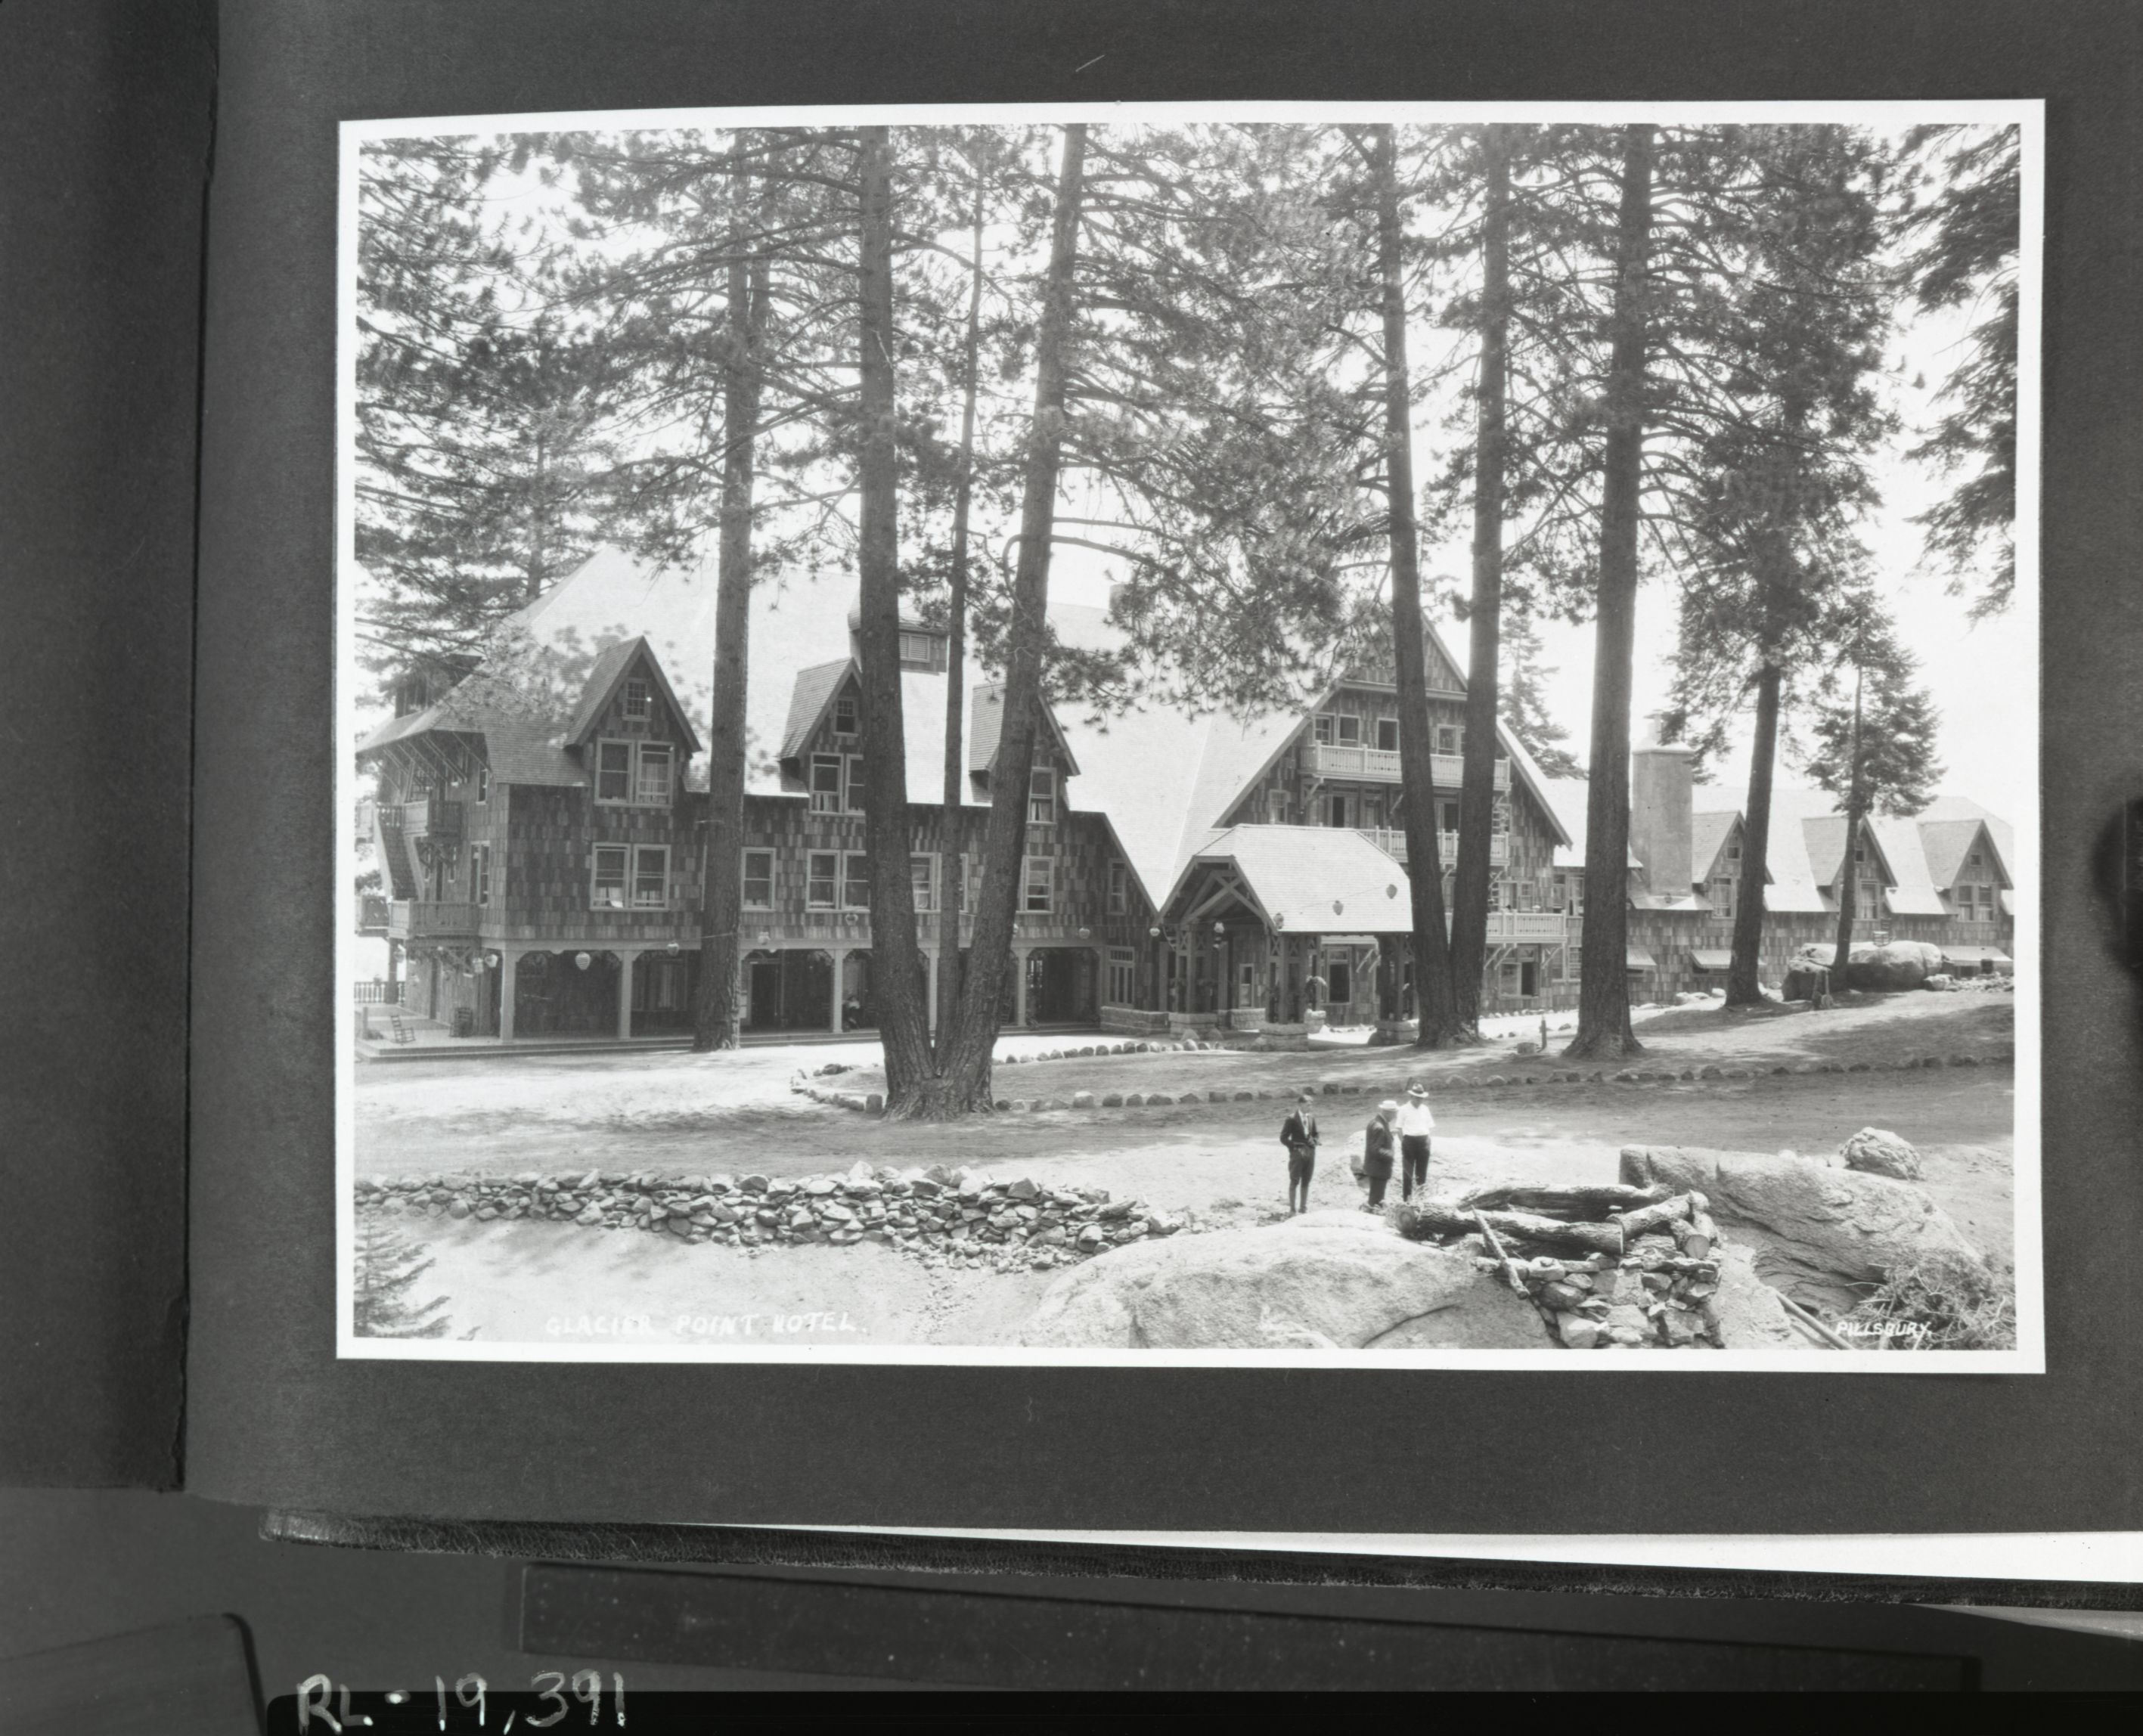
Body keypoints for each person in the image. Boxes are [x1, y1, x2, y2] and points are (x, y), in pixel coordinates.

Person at [1278, 1090, 1320, 1215]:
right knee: (1295, 1180)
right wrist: (1294, 1147)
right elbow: (1283, 1138)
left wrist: (1315, 1141)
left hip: (1310, 1152)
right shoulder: (1291, 1119)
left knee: (1306, 1180)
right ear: (1300, 1105)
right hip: (1297, 1153)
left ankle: (1303, 1208)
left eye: (1311, 1105)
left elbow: (1316, 1134)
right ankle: (1292, 1209)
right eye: (1308, 1105)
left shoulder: (1311, 1117)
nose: (1310, 1107)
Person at [1396, 1081, 1435, 1201]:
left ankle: (1421, 1198)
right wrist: (1404, 1142)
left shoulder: (1425, 1109)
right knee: (1408, 1173)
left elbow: (1429, 1126)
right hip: (1409, 1141)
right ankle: (1407, 1199)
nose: (1419, 1100)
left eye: (1421, 1098)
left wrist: (1428, 1140)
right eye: (1417, 1098)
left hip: (1423, 1140)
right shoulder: (1403, 1109)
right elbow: (1399, 1127)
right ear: (1412, 1096)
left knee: (1422, 1172)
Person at [1361, 1099, 1397, 1210]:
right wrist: (1390, 1154)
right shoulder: (1380, 1127)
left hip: (1373, 1167)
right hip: (1379, 1169)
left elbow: (1375, 1142)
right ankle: (1370, 1216)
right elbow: (1376, 1150)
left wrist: (1389, 1135)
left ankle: (1370, 1211)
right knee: (1376, 1200)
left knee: (1375, 1197)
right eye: (1394, 1113)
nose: (1395, 1115)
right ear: (1387, 1112)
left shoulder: (1374, 1122)